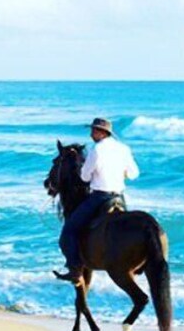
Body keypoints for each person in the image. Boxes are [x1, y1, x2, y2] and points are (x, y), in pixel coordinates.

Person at [55, 117, 139, 284]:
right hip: (120, 197)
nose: (91, 133)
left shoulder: (97, 150)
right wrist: (121, 173)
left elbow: (85, 177)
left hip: (100, 197)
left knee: (69, 231)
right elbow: (134, 173)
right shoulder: (124, 149)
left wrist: (90, 172)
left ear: (102, 133)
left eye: (94, 130)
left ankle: (75, 269)